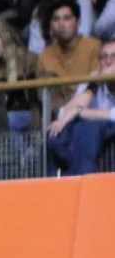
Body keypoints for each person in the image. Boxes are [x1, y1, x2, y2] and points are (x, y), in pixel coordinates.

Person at [48, 38, 115, 173]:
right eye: (103, 57)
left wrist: (79, 112)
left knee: (89, 128)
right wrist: (94, 86)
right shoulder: (93, 79)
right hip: (93, 142)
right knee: (55, 132)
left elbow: (113, 115)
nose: (108, 62)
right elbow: (64, 114)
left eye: (114, 57)